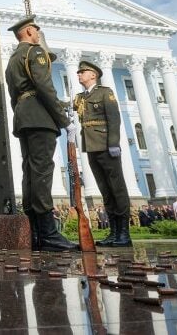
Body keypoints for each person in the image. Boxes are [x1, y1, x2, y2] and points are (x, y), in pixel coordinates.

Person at [5, 16, 76, 252]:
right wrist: (64, 120)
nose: (38, 32)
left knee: (30, 173)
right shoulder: (35, 53)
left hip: (24, 116)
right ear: (27, 31)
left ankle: (34, 233)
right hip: (40, 116)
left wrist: (24, 112)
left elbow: (13, 94)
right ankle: (48, 234)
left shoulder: (13, 58)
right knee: (43, 172)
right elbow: (46, 87)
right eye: (36, 29)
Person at [74, 59, 132, 248]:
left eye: (83, 72)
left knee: (117, 189)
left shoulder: (105, 92)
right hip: (91, 147)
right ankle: (114, 233)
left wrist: (114, 143)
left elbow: (114, 119)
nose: (79, 74)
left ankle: (124, 233)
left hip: (107, 146)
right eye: (79, 72)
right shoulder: (81, 98)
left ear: (93, 74)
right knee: (106, 191)